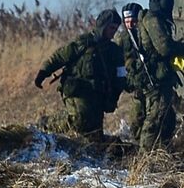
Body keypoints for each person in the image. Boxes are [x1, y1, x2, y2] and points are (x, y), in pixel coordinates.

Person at [119, 0, 184, 146]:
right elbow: (164, 47)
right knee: (153, 120)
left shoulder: (153, 19)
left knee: (166, 120)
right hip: (154, 79)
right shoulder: (152, 19)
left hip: (159, 77)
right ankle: (146, 159)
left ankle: (161, 153)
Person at [34, 8, 123, 139]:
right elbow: (59, 57)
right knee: (79, 120)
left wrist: (114, 95)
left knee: (93, 135)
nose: (113, 32)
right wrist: (43, 73)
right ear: (103, 26)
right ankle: (46, 123)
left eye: (116, 29)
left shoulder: (114, 51)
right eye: (111, 28)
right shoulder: (83, 43)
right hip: (77, 90)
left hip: (98, 95)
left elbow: (120, 75)